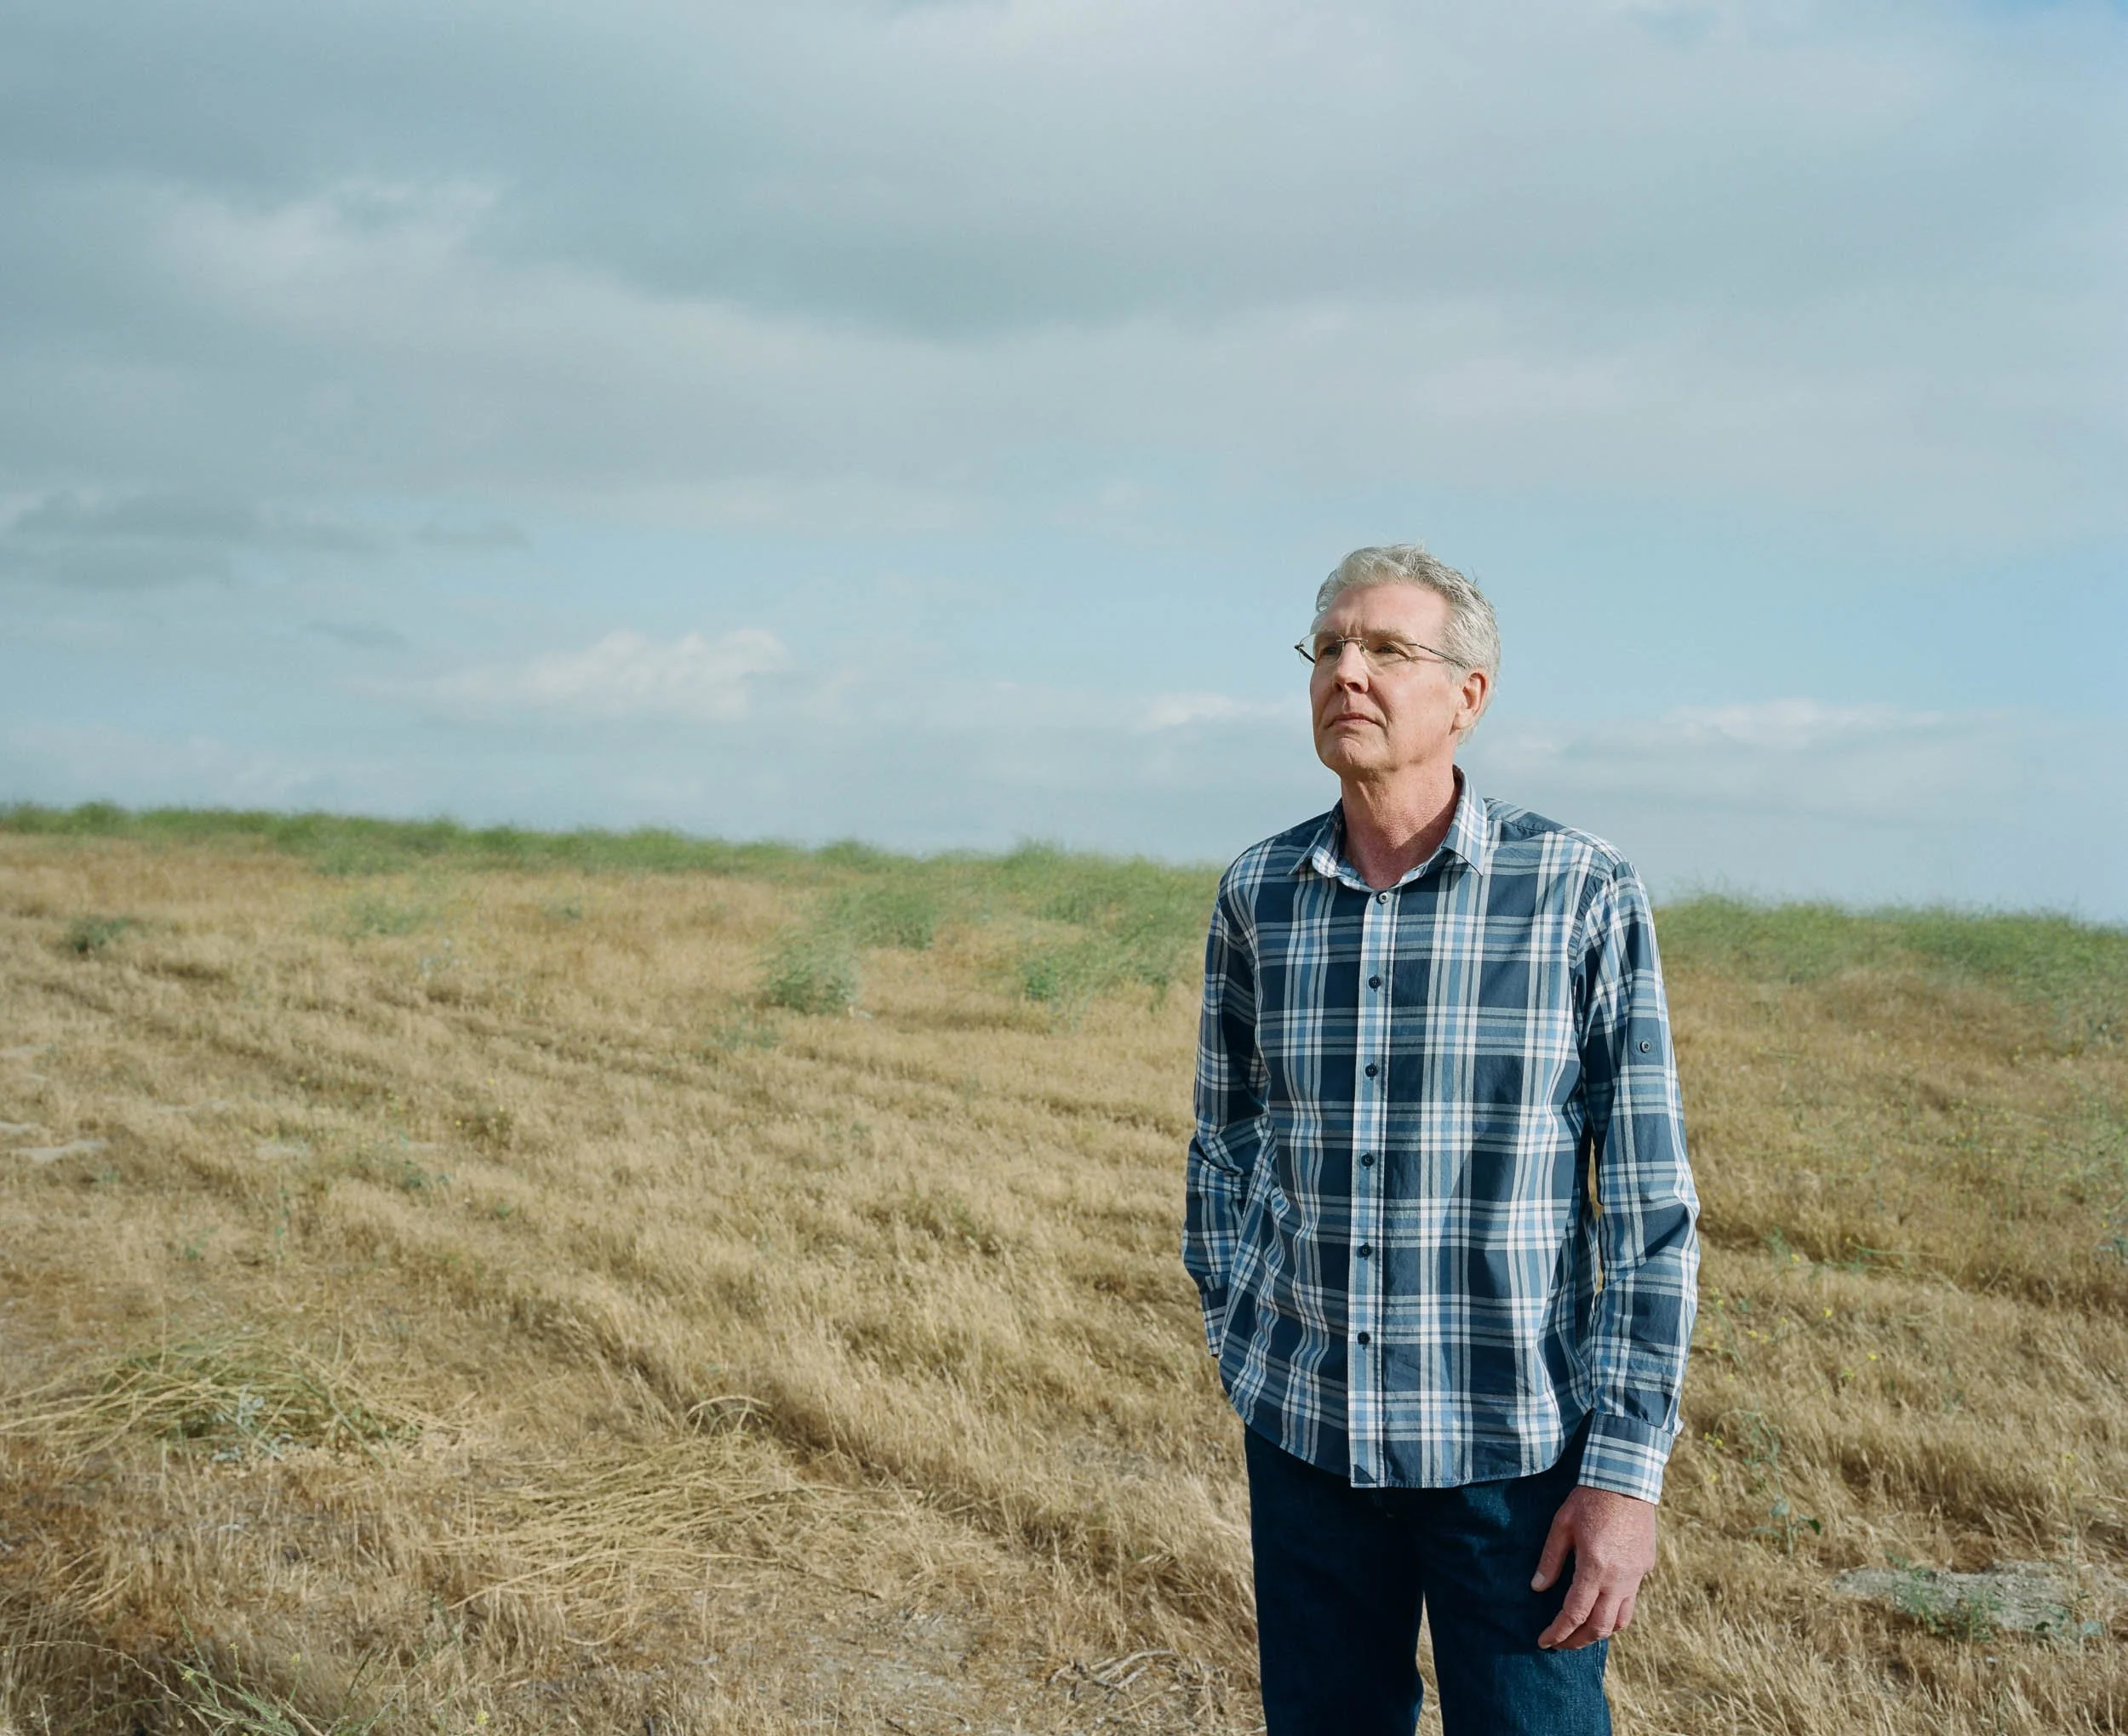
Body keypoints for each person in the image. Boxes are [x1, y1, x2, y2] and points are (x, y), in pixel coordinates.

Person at [1183, 545, 1699, 1735]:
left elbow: (1649, 1206)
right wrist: (1243, 1342)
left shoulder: (1580, 890)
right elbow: (1225, 1143)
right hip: (1308, 1444)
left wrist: (1624, 1473)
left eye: (1386, 650)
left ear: (1468, 696)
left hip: (1510, 1460)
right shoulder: (1260, 893)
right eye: (1328, 648)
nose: (1347, 673)